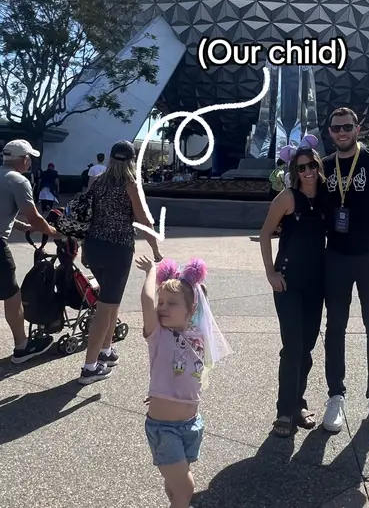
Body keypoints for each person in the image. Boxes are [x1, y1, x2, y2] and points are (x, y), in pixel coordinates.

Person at [321, 107, 369, 434]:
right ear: (330, 131)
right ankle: (335, 395)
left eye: (347, 127)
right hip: (336, 257)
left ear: (358, 128)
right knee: (335, 327)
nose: (342, 132)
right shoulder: (323, 167)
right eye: (337, 128)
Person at [136, 254, 231, 508]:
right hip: (163, 428)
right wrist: (152, 273)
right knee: (186, 486)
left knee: (176, 486)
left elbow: (202, 299)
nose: (162, 307)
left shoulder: (198, 338)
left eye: (172, 303)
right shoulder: (158, 335)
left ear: (191, 310)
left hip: (191, 424)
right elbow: (147, 301)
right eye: (162, 302)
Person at [259, 140, 327, 437]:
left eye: (312, 165)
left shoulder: (327, 196)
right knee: (293, 346)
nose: (308, 171)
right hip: (288, 281)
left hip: (316, 282)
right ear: (294, 171)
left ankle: (297, 403)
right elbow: (264, 234)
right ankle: (284, 412)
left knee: (308, 346)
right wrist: (270, 272)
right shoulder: (287, 198)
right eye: (302, 167)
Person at [78, 140, 161, 383]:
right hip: (117, 249)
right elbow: (144, 219)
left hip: (94, 247)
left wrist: (84, 248)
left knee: (110, 301)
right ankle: (89, 367)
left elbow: (87, 216)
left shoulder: (97, 181)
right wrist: (155, 249)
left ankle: (106, 350)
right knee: (106, 306)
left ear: (112, 158)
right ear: (132, 160)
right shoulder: (129, 184)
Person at [1, 140, 61, 363]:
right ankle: (22, 347)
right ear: (23, 159)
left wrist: (18, 225)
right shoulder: (18, 180)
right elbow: (34, 215)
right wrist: (52, 232)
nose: (30, 162)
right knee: (11, 295)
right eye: (29, 158)